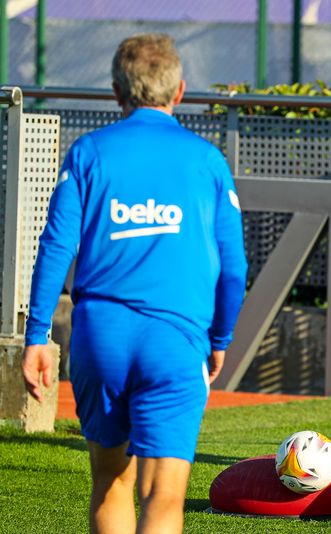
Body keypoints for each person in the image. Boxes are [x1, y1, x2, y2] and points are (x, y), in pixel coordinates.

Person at [21, 33, 248, 532]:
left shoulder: (89, 152)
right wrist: (220, 339)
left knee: (110, 483)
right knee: (164, 499)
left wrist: (37, 334)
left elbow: (56, 245)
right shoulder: (207, 160)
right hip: (175, 339)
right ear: (181, 91)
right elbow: (234, 269)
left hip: (100, 334)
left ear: (117, 92)